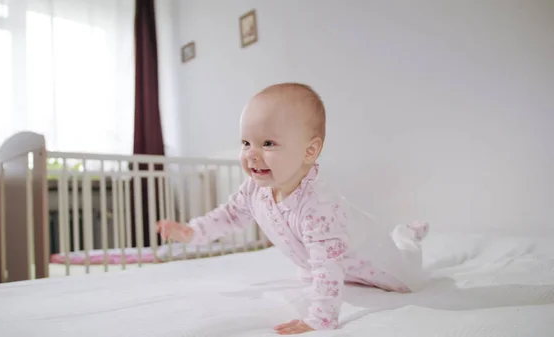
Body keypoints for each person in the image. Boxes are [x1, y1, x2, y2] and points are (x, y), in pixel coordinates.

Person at [156, 82, 430, 335]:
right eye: (246, 142)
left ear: (309, 152)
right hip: (345, 261)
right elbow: (229, 216)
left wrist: (320, 319)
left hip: (382, 263)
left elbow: (326, 266)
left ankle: (407, 236)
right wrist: (192, 231)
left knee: (409, 275)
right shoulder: (255, 189)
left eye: (268, 143)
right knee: (322, 261)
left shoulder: (319, 206)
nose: (251, 153)